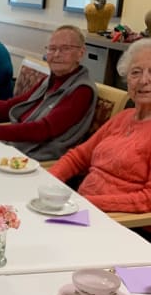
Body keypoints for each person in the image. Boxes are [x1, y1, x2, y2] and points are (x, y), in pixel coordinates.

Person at [0, 25, 97, 161]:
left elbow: (43, 130)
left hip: (37, 157)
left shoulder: (81, 90)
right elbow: (11, 106)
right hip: (18, 144)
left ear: (81, 53)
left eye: (65, 49)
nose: (56, 55)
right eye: (52, 48)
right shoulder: (51, 80)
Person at [49, 39, 151, 213]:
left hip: (122, 223)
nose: (143, 80)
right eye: (135, 72)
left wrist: (86, 203)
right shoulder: (123, 117)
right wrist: (47, 180)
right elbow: (78, 157)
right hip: (81, 209)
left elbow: (147, 200)